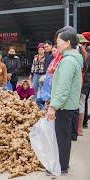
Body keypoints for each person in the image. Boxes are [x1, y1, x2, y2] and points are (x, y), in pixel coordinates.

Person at [46, 27, 83, 175]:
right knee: (64, 135)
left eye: (58, 42)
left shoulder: (68, 62)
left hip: (64, 106)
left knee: (61, 136)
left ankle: (61, 167)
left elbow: (63, 88)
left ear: (67, 43)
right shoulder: (73, 59)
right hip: (68, 105)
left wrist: (53, 107)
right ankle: (64, 164)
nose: (56, 45)